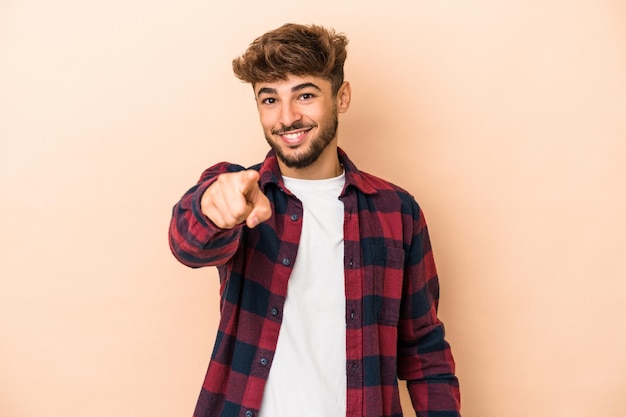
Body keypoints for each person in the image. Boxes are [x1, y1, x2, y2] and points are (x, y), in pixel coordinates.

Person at [169, 23, 461, 417]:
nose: (287, 117)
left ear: (341, 98)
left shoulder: (397, 211)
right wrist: (212, 207)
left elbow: (424, 350)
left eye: (305, 95)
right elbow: (189, 243)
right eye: (269, 99)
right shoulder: (240, 191)